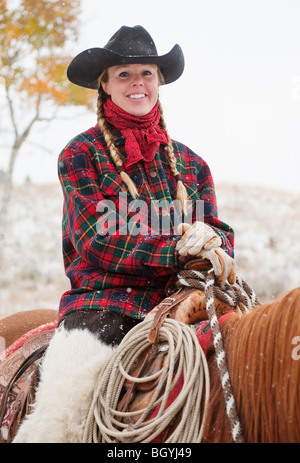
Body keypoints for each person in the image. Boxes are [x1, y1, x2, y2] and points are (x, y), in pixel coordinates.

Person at [14, 25, 234, 443]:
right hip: (105, 307)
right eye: (125, 74)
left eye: (147, 73)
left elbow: (217, 230)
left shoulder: (193, 165)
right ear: (106, 85)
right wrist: (174, 251)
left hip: (184, 303)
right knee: (61, 424)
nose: (138, 83)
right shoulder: (80, 154)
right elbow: (97, 241)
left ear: (160, 81)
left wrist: (214, 244)